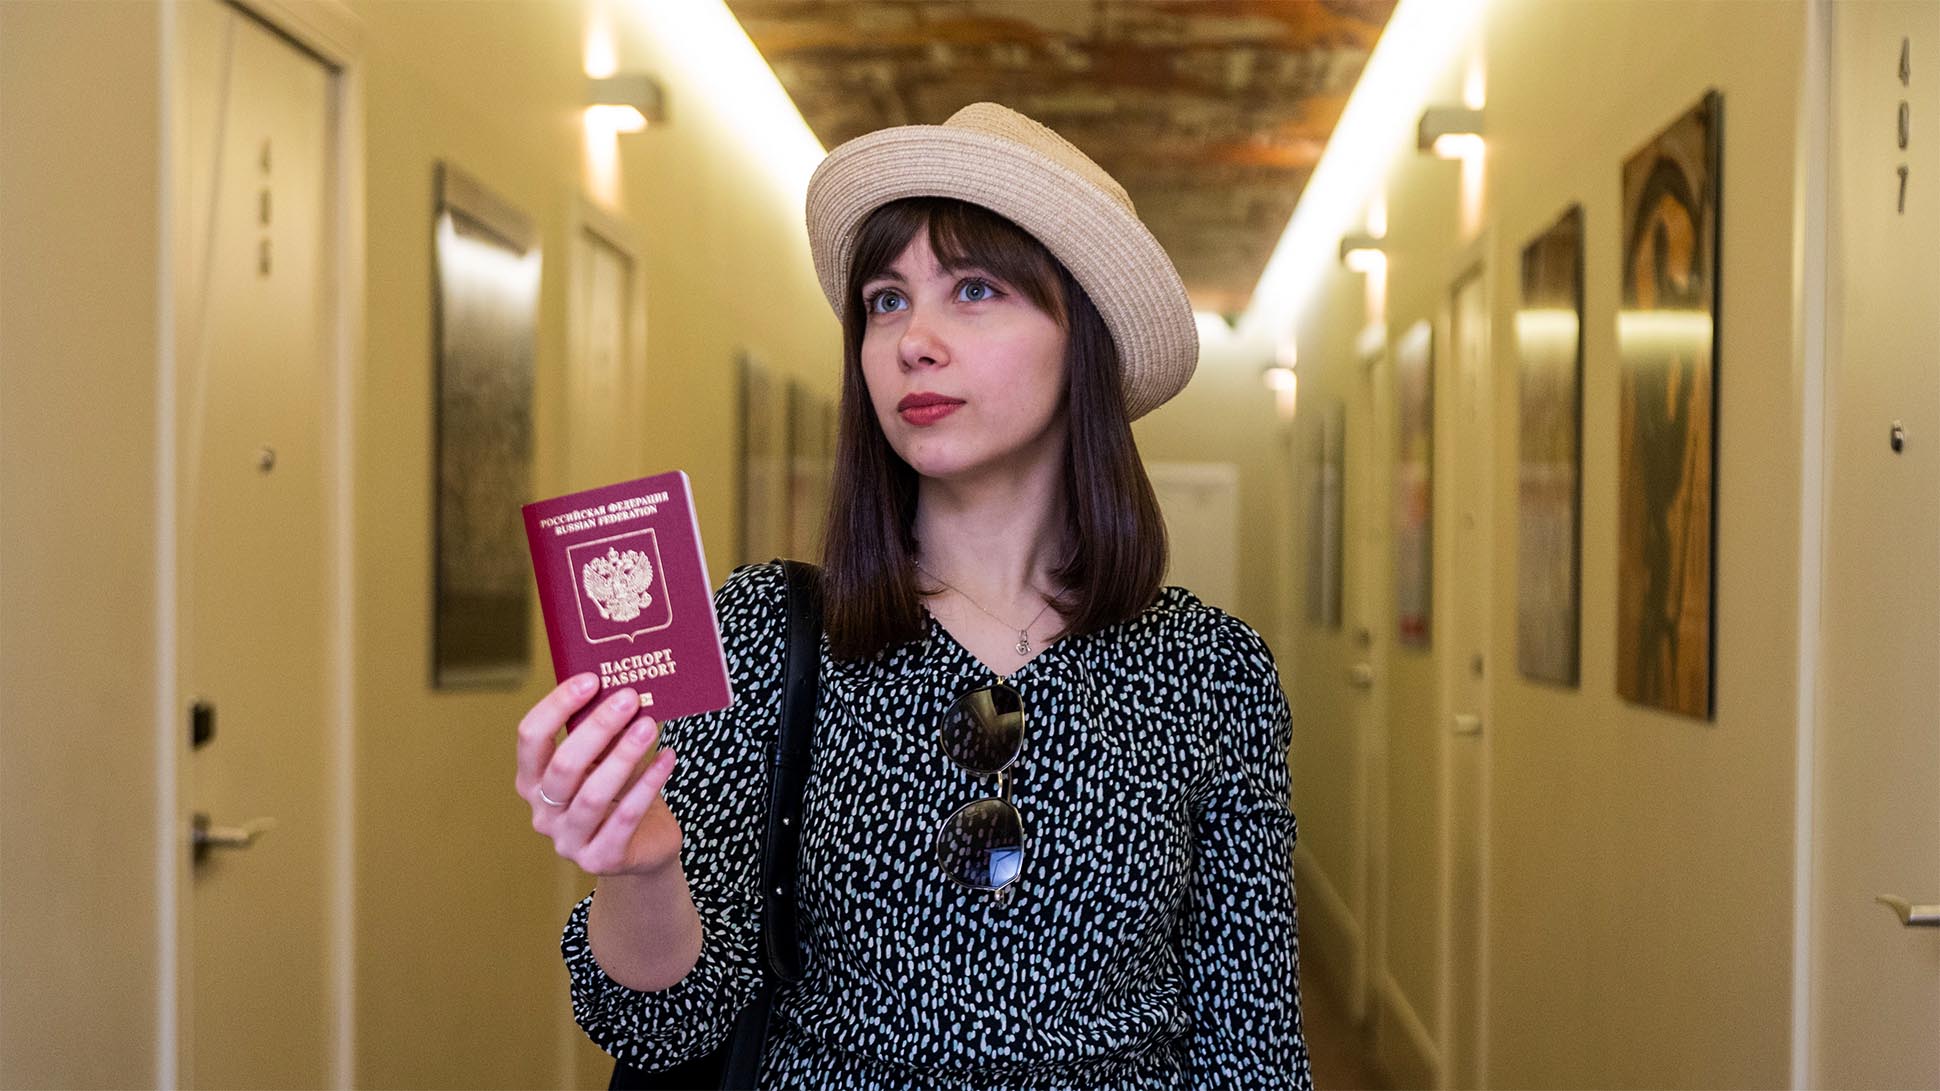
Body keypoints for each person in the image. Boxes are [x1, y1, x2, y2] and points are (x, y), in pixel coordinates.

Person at [515, 103, 1311, 1090]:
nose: (912, 341)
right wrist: (639, 868)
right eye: (885, 301)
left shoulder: (1209, 670)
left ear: (1085, 341)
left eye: (973, 289)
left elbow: (1254, 1049)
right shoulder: (765, 631)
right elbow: (664, 1025)